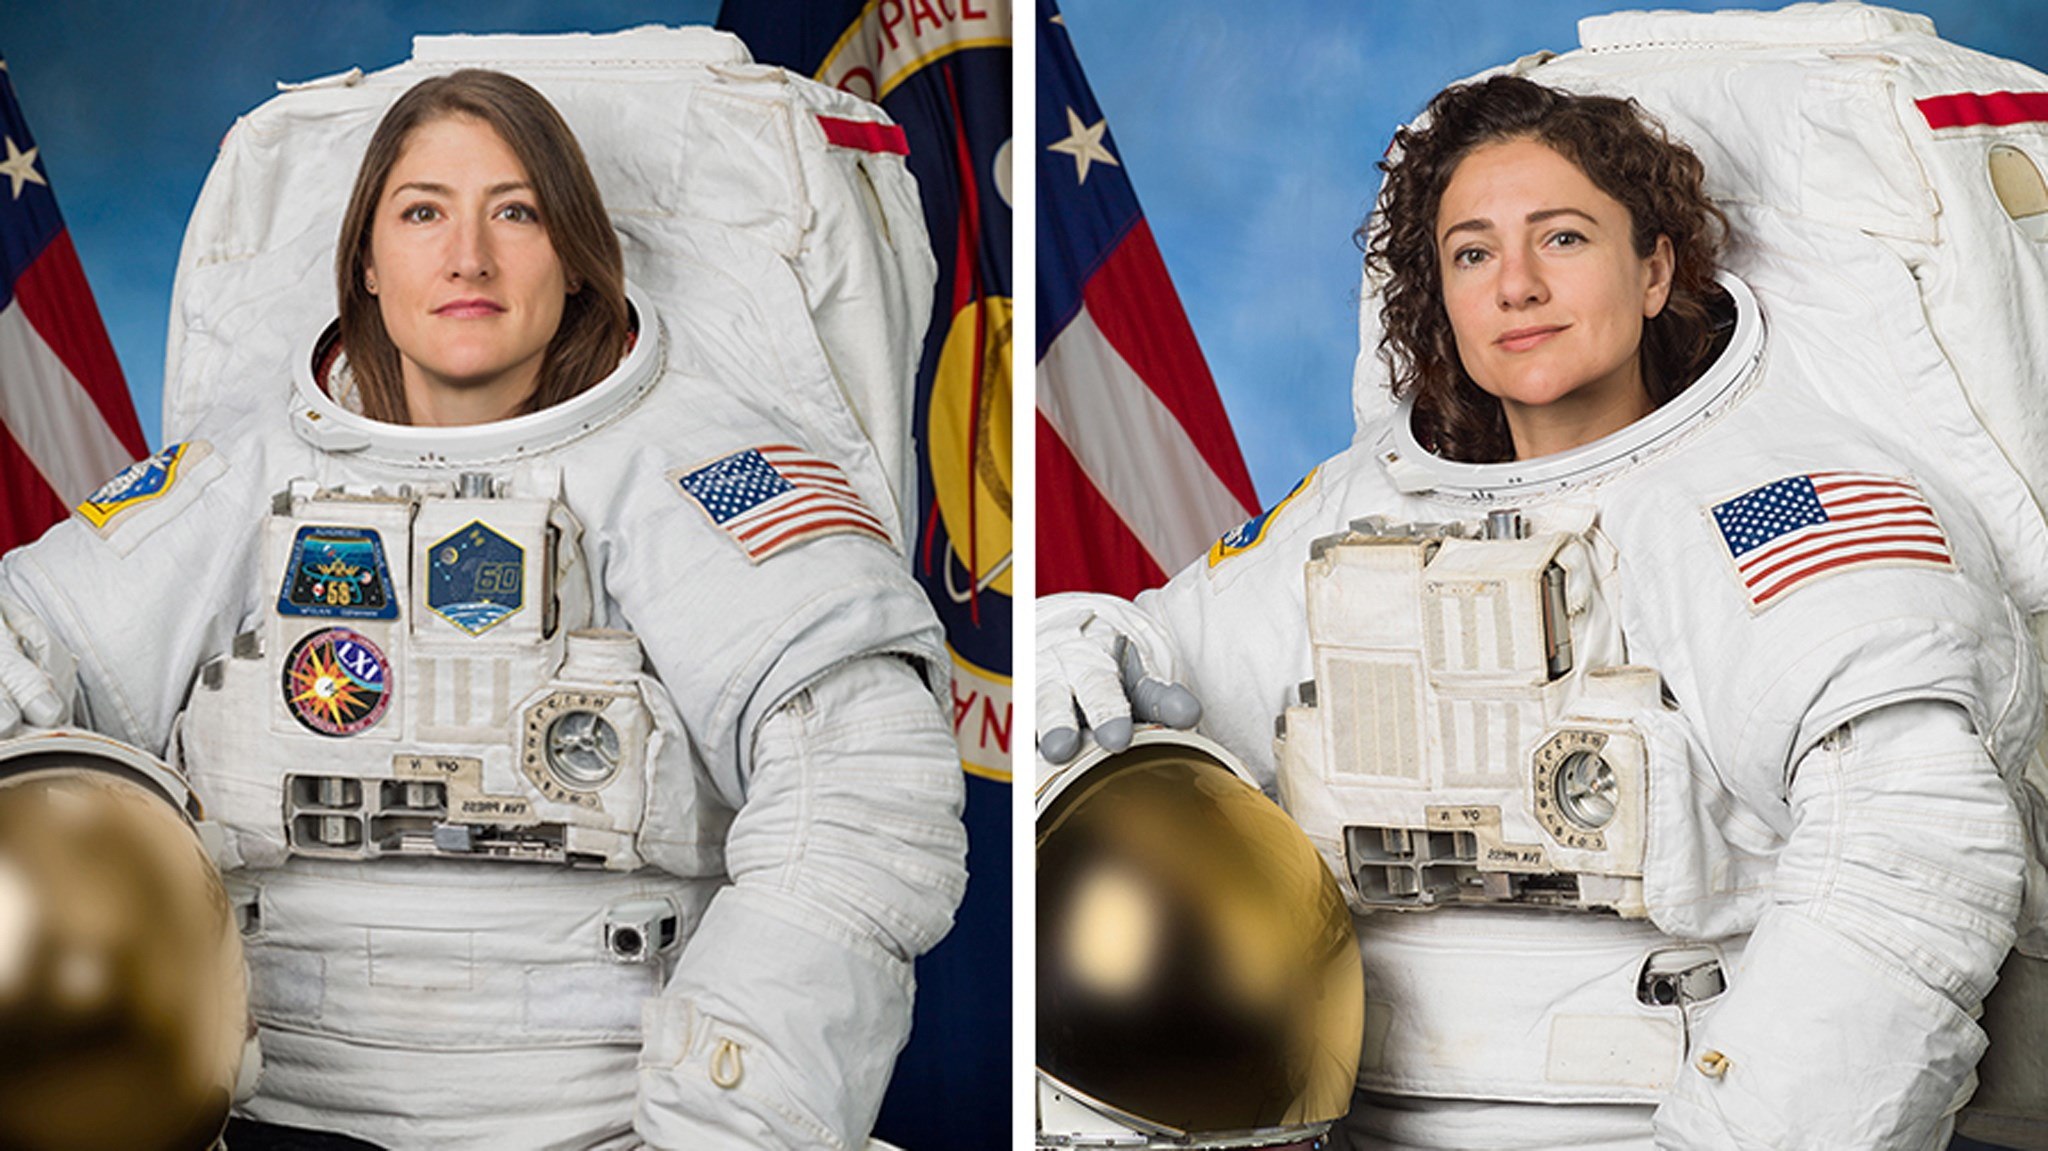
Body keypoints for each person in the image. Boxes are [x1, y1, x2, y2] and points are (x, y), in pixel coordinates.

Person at [1039, 74, 2037, 1150]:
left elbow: (1911, 853)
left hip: (1667, 1117)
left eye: (1561, 238)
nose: (1515, 286)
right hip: (1339, 1111)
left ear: (1654, 270)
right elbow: (1158, 667)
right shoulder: (1362, 500)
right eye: (1472, 253)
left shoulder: (1775, 495)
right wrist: (1074, 649)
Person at [0, 68, 967, 1151]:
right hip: (259, 1111)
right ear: (366, 262)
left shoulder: (702, 469)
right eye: (423, 213)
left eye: (517, 212)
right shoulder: (243, 468)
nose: (469, 257)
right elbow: (34, 645)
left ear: (577, 255)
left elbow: (864, 796)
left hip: (617, 1127)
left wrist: (730, 1121)